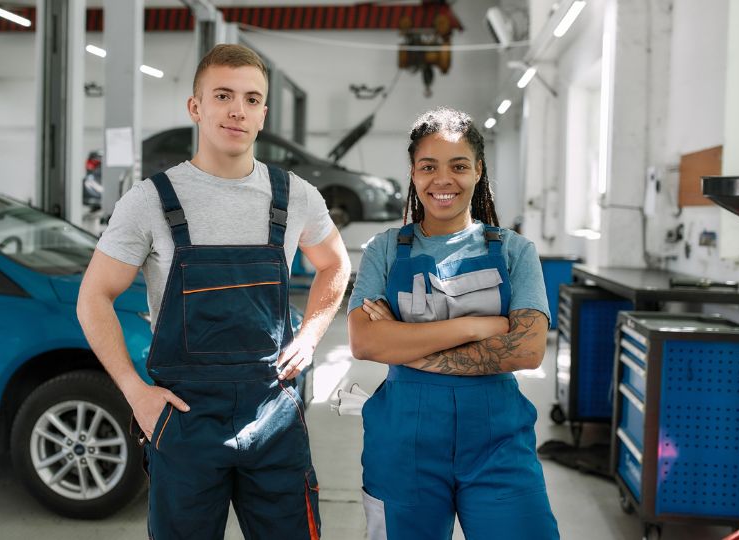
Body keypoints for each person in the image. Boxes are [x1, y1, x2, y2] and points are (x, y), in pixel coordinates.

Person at [77, 44, 350, 540]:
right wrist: (135, 393)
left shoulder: (296, 197)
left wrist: (309, 338)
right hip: (183, 421)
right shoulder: (149, 202)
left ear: (263, 113)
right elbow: (93, 297)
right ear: (195, 107)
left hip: (273, 414)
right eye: (222, 95)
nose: (236, 110)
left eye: (250, 99)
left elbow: (335, 264)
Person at [347, 107, 560, 540]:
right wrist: (478, 326)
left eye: (459, 166)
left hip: (499, 445)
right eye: (428, 167)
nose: (443, 180)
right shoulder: (383, 251)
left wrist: (407, 345)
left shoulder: (516, 251)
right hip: (402, 446)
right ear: (413, 173)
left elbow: (526, 349)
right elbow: (366, 341)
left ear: (478, 171)